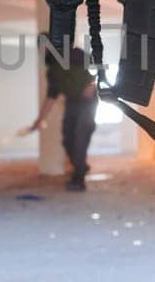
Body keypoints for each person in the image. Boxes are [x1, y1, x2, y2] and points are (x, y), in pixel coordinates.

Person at [22, 45, 98, 190]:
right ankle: (80, 165)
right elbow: (51, 97)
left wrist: (92, 84)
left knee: (81, 137)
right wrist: (40, 120)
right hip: (71, 102)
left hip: (88, 101)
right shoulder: (52, 72)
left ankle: (78, 178)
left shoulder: (73, 54)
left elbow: (98, 65)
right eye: (40, 48)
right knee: (68, 139)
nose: (42, 51)